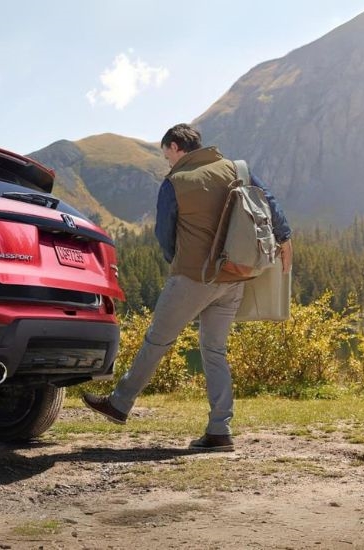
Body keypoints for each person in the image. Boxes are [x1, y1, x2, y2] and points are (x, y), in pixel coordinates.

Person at [82, 123, 293, 452]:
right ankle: (220, 429)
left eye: (166, 152)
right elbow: (269, 202)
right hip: (233, 278)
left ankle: (120, 404)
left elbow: (164, 235)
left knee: (157, 340)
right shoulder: (237, 168)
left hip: (193, 278)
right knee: (214, 351)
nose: (166, 159)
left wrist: (176, 261)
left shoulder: (175, 182)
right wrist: (286, 236)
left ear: (176, 146)